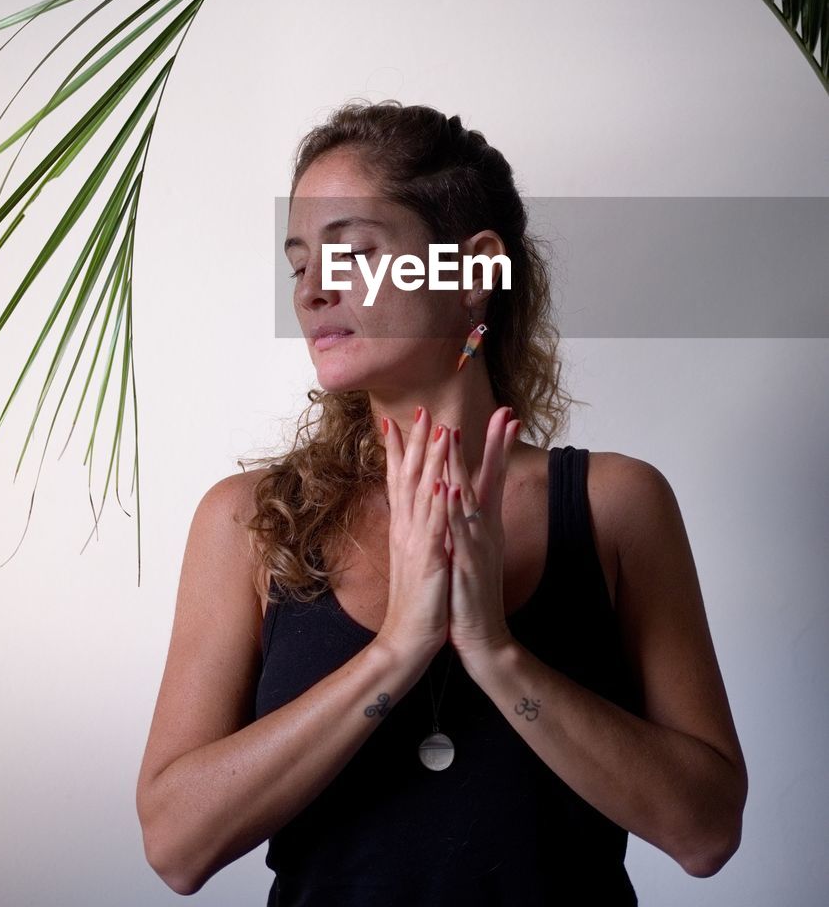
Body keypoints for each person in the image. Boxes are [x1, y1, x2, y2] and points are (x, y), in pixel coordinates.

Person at [135, 100, 748, 903]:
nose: (313, 290)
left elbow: (704, 833)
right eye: (298, 265)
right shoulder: (250, 521)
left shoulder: (615, 507)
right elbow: (176, 848)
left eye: (350, 254)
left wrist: (494, 652)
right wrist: (396, 650)